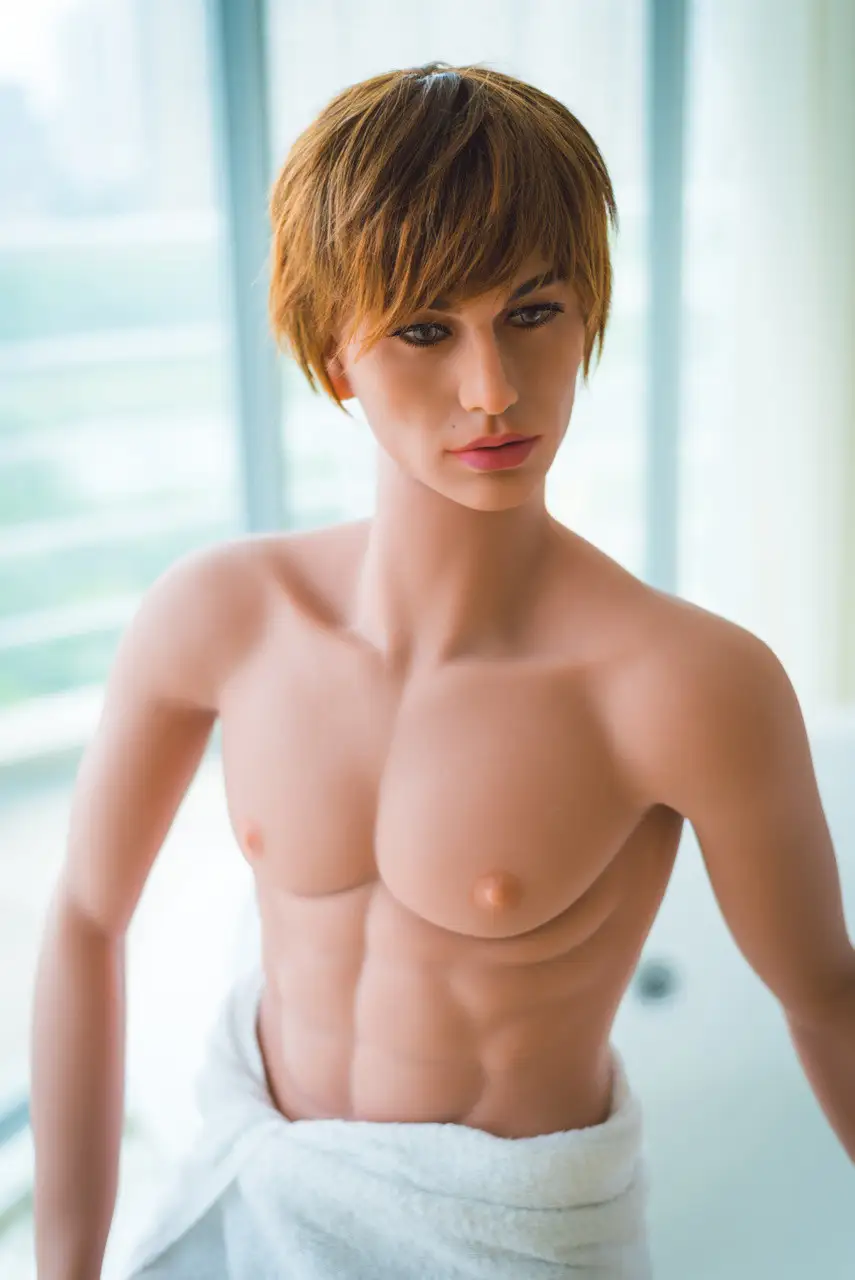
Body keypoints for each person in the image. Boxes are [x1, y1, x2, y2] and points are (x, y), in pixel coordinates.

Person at [29, 60, 855, 1280]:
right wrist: (65, 1262)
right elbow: (88, 918)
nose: (493, 390)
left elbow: (829, 998)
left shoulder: (683, 684)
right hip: (253, 1213)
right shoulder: (222, 617)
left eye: (534, 311)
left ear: (590, 311)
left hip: (507, 1247)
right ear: (335, 352)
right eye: (426, 329)